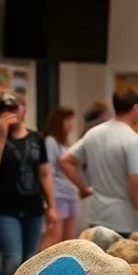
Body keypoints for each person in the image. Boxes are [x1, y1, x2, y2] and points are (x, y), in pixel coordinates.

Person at [0, 94, 58, 275]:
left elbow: (44, 173)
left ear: (23, 109)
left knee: (30, 260)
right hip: (4, 208)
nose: (11, 114)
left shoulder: (36, 138)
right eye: (6, 110)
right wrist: (2, 137)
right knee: (12, 258)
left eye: (15, 109)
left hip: (33, 207)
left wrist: (51, 206)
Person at [61, 89, 138, 236]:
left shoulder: (94, 133)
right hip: (123, 220)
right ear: (135, 109)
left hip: (97, 217)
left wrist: (83, 187)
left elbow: (65, 160)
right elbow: (137, 184)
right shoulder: (134, 140)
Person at [40, 106, 80, 249]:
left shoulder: (67, 143)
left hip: (71, 192)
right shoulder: (51, 142)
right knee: (54, 237)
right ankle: (38, 267)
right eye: (67, 120)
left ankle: (64, 270)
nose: (71, 124)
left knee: (68, 241)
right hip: (58, 194)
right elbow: (47, 170)